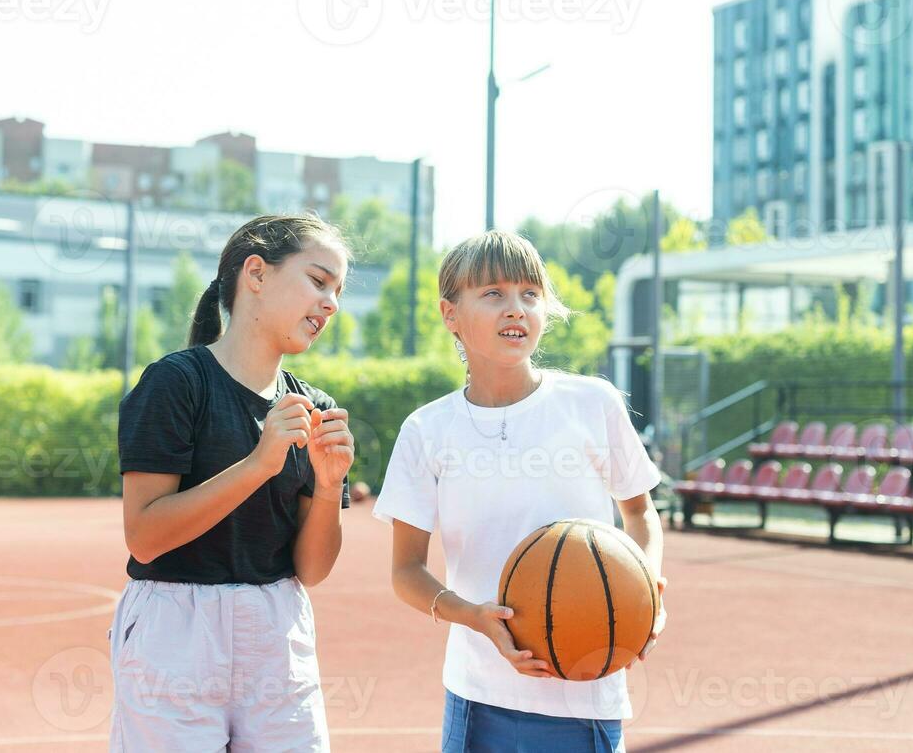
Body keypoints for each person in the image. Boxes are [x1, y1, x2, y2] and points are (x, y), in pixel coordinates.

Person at [374, 229, 666, 753]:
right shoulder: (427, 430)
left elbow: (641, 514)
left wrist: (645, 589)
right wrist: (473, 617)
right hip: (479, 694)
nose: (517, 309)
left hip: (586, 694)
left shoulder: (592, 403)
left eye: (530, 294)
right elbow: (405, 571)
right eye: (493, 294)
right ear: (450, 314)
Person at [110, 215, 355, 752]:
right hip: (176, 631)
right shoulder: (177, 383)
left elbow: (311, 570)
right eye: (318, 281)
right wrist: (259, 463)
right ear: (256, 274)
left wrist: (331, 485)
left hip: (277, 627)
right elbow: (145, 536)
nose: (331, 302)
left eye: (337, 290)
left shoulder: (317, 410)